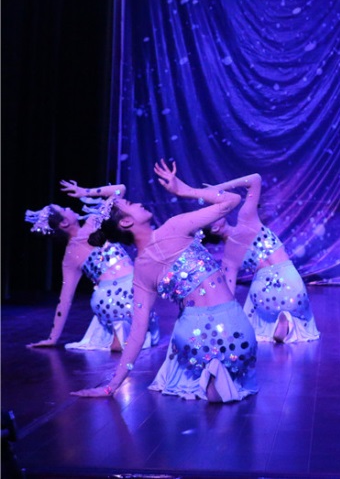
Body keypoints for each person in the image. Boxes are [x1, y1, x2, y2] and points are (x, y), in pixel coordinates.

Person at [72, 161, 257, 402]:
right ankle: (216, 375)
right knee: (233, 363)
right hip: (236, 331)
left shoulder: (141, 271)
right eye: (130, 204)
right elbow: (232, 200)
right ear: (126, 222)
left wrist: (111, 387)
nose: (138, 203)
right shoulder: (174, 227)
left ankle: (209, 372)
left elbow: (138, 333)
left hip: (193, 339)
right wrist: (184, 190)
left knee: (202, 361)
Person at [24, 181, 159, 351]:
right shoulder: (92, 223)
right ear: (64, 223)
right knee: (145, 315)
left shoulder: (69, 258)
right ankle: (122, 335)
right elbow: (120, 189)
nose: (69, 208)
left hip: (103, 301)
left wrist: (52, 338)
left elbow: (64, 300)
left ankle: (118, 334)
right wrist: (84, 192)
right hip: (130, 289)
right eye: (64, 209)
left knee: (124, 315)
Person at [205, 173, 320, 344]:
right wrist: (219, 188)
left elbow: (228, 295)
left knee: (257, 312)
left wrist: (219, 320)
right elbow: (255, 180)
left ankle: (275, 322)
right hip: (290, 283)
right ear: (215, 228)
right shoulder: (247, 218)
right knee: (299, 307)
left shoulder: (229, 257)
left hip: (262, 295)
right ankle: (288, 321)